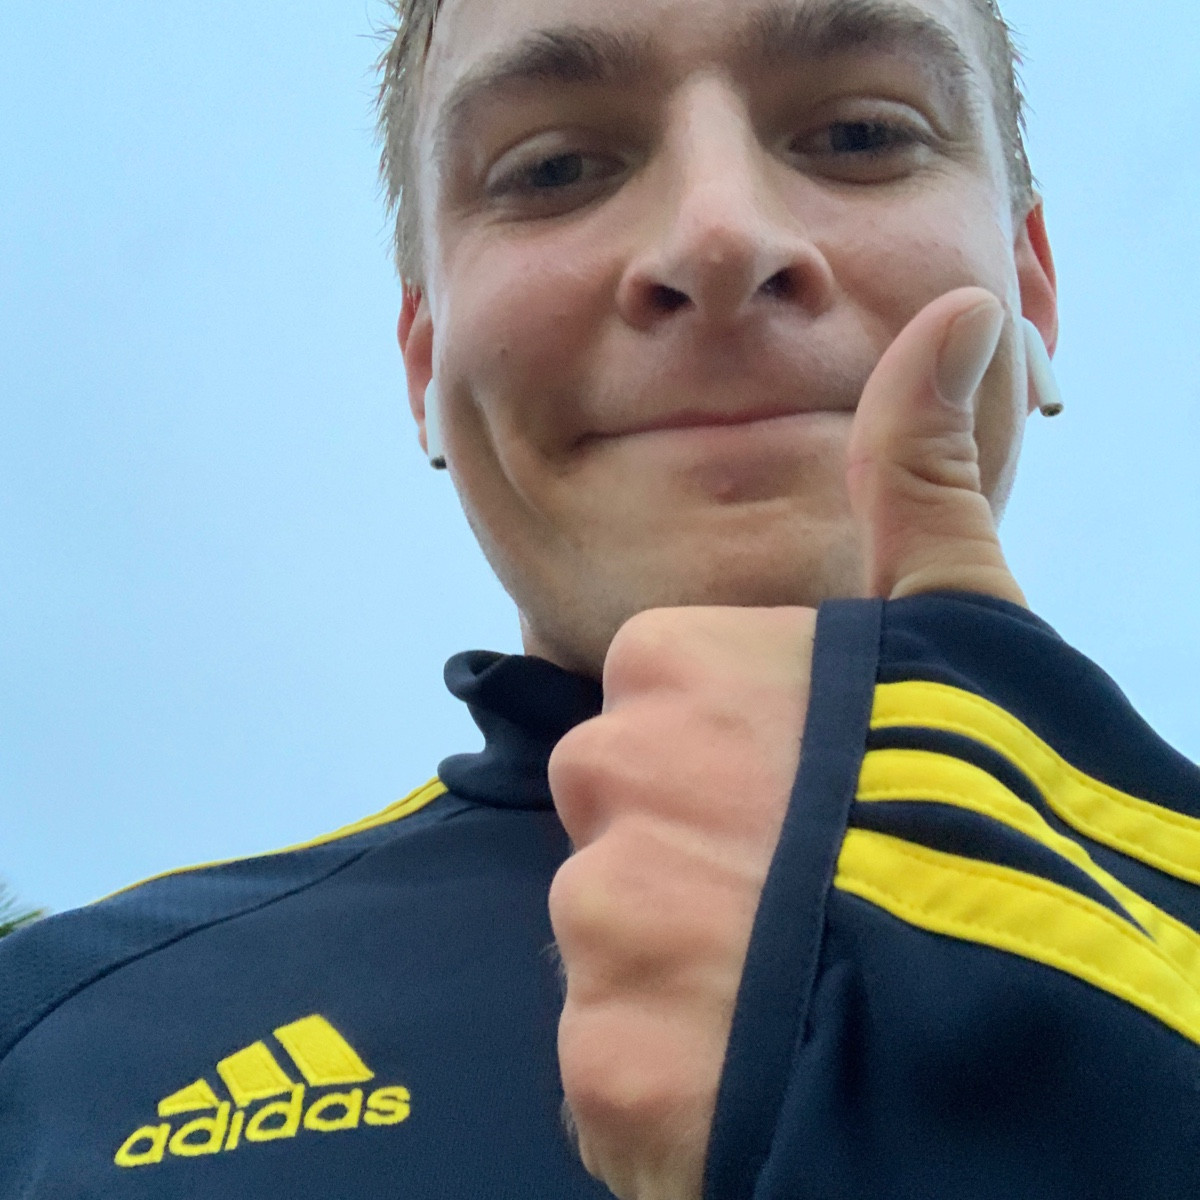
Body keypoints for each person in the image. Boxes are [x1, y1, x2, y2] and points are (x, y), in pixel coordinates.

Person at [2, 0, 1198, 1197]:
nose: (719, 238)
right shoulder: (57, 1045)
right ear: (425, 365)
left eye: (860, 136)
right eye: (556, 168)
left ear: (1032, 288)